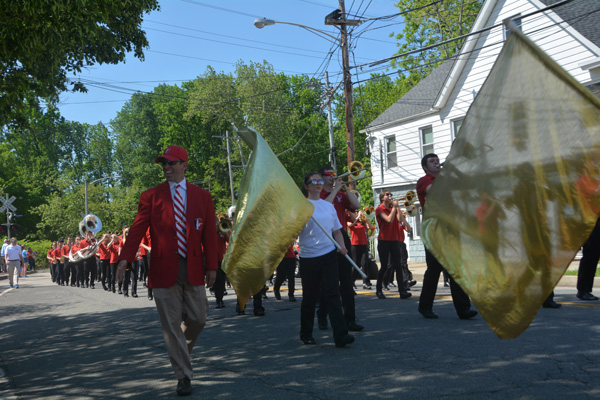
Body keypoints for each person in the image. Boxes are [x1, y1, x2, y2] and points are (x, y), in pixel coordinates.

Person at [116, 145, 218, 397]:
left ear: (184, 165)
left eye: (171, 163)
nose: (166, 167)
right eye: (164, 163)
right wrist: (124, 259)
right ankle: (183, 376)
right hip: (162, 270)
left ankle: (180, 350)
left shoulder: (202, 197)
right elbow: (137, 228)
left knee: (198, 318)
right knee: (171, 326)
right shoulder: (151, 196)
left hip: (193, 267)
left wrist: (212, 266)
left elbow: (210, 236)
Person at [416, 153, 477, 319]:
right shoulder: (424, 180)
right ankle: (425, 306)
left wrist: (454, 168)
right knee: (434, 270)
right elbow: (433, 191)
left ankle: (464, 309)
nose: (436, 163)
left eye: (437, 160)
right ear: (425, 167)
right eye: (432, 161)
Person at [298, 172, 354, 348]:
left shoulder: (328, 206)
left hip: (329, 254)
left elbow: (336, 231)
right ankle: (306, 333)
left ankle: (341, 334)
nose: (318, 183)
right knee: (310, 296)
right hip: (308, 256)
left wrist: (341, 246)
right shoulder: (301, 206)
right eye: (313, 181)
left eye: (319, 181)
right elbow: (294, 230)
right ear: (306, 186)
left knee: (332, 293)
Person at [316, 165, 363, 332]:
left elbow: (356, 206)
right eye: (328, 174)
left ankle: (350, 320)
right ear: (321, 178)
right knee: (329, 283)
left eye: (333, 174)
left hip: (341, 235)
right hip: (325, 237)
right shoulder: (319, 195)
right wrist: (335, 190)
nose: (332, 177)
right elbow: (324, 207)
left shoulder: (341, 195)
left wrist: (346, 188)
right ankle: (322, 315)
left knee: (346, 282)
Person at [374, 190, 412, 299]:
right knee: (385, 266)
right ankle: (379, 290)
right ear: (382, 198)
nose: (390, 196)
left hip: (394, 240)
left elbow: (400, 220)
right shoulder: (379, 209)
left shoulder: (393, 208)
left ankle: (402, 291)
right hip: (384, 241)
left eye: (391, 194)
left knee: (399, 266)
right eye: (387, 194)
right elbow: (389, 220)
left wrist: (398, 207)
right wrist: (394, 208)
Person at [576, 159, 600, 300]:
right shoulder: (583, 181)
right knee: (590, 256)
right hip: (590, 223)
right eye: (593, 162)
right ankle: (583, 290)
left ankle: (585, 289)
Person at [347, 210, 375, 290]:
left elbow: (370, 227)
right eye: (355, 212)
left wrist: (366, 219)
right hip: (355, 245)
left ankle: (365, 283)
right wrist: (357, 217)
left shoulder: (362, 222)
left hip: (363, 245)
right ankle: (351, 282)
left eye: (357, 211)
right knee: (356, 264)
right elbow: (350, 225)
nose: (357, 213)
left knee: (364, 264)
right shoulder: (350, 221)